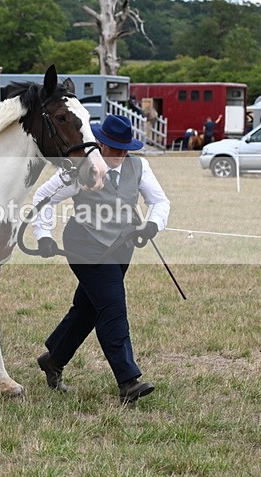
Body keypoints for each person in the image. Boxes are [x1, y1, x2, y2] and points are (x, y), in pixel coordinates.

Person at [32, 114, 170, 404]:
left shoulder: (140, 166)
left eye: (125, 149)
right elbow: (44, 197)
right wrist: (44, 235)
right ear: (100, 143)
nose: (120, 155)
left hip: (122, 247)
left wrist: (153, 224)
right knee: (112, 306)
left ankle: (54, 358)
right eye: (114, 148)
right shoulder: (80, 168)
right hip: (85, 245)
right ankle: (128, 380)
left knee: (88, 309)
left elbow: (159, 201)